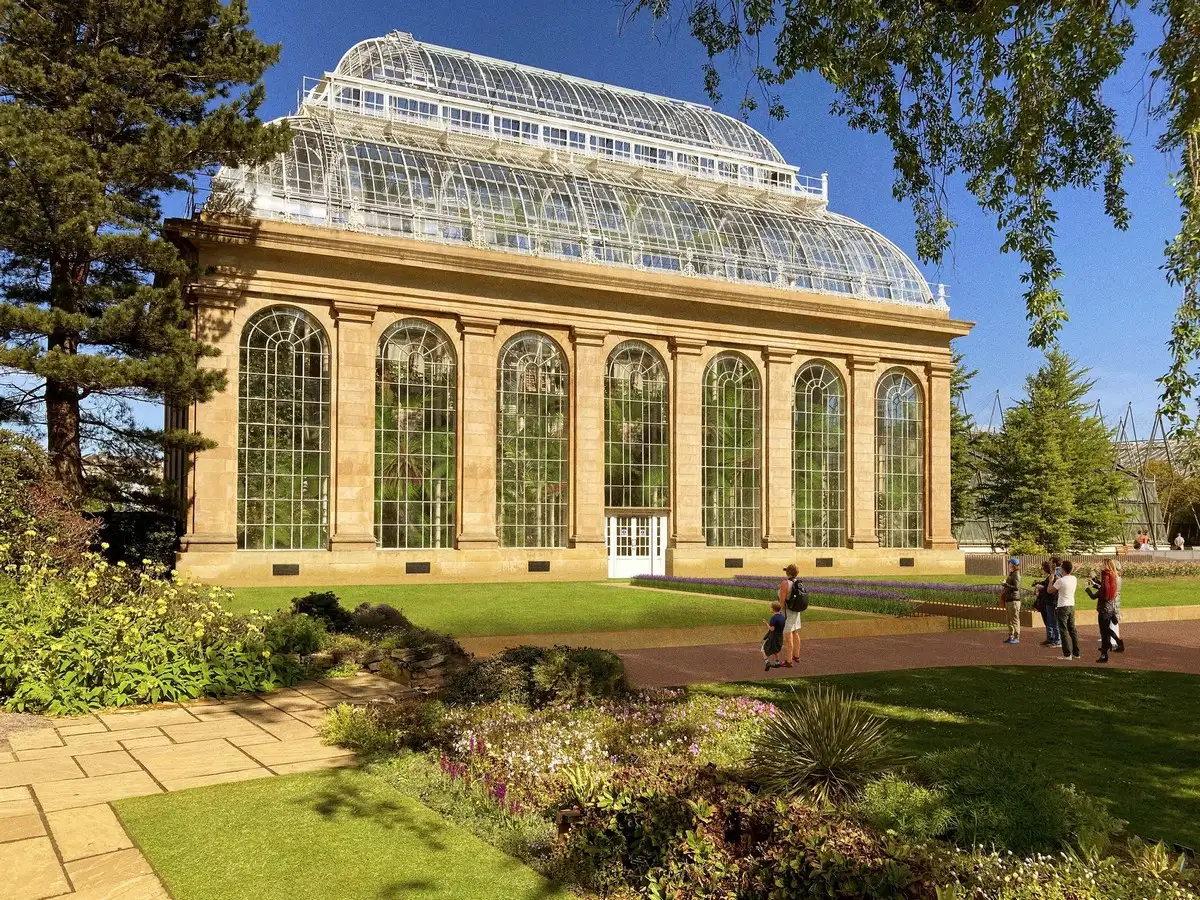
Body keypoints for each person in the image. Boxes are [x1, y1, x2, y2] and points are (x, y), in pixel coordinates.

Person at [1047, 559, 1080, 659]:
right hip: (1071, 605)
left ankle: (1067, 654)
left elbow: (1050, 590)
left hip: (1062, 607)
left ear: (1063, 569)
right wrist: (1056, 578)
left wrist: (1050, 580)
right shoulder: (1074, 578)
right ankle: (1076, 653)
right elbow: (1062, 582)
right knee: (1072, 630)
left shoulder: (1061, 581)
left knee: (1063, 630)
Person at [778, 563, 804, 666]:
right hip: (796, 610)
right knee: (795, 633)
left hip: (787, 611)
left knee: (788, 636)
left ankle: (788, 661)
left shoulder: (785, 583)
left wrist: (778, 612)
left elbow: (782, 600)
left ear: (787, 572)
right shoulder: (798, 582)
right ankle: (796, 656)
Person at [1034, 560, 1061, 647]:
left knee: (1053, 622)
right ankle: (1050, 638)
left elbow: (1051, 590)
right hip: (1048, 602)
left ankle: (1057, 640)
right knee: (1049, 621)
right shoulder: (1050, 577)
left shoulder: (1054, 578)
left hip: (1052, 602)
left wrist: (1041, 588)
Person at [1001, 557, 1022, 644]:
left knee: (1014, 619)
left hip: (1014, 600)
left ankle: (1016, 637)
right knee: (1009, 620)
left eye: (1009, 563)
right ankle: (1011, 636)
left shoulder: (1016, 574)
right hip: (1009, 599)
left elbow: (1016, 587)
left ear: (1013, 565)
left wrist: (1006, 584)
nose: (1008, 564)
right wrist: (1005, 584)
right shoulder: (1011, 573)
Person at [761, 601, 786, 671]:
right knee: (776, 649)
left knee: (763, 649)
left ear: (773, 609)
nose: (770, 609)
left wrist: (766, 623)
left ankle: (767, 662)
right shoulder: (782, 617)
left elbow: (772, 629)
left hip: (773, 637)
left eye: (770, 608)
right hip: (780, 636)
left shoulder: (774, 618)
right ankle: (777, 662)